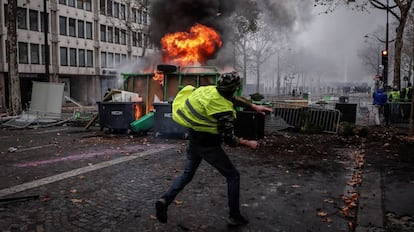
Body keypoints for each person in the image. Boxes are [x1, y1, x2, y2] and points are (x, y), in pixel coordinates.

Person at [155, 71, 272, 226]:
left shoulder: (209, 90)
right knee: (233, 176)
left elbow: (233, 98)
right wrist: (248, 143)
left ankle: (165, 199)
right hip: (209, 145)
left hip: (194, 140)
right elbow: (229, 139)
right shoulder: (223, 110)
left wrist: (254, 106)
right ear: (235, 88)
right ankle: (234, 216)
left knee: (187, 175)